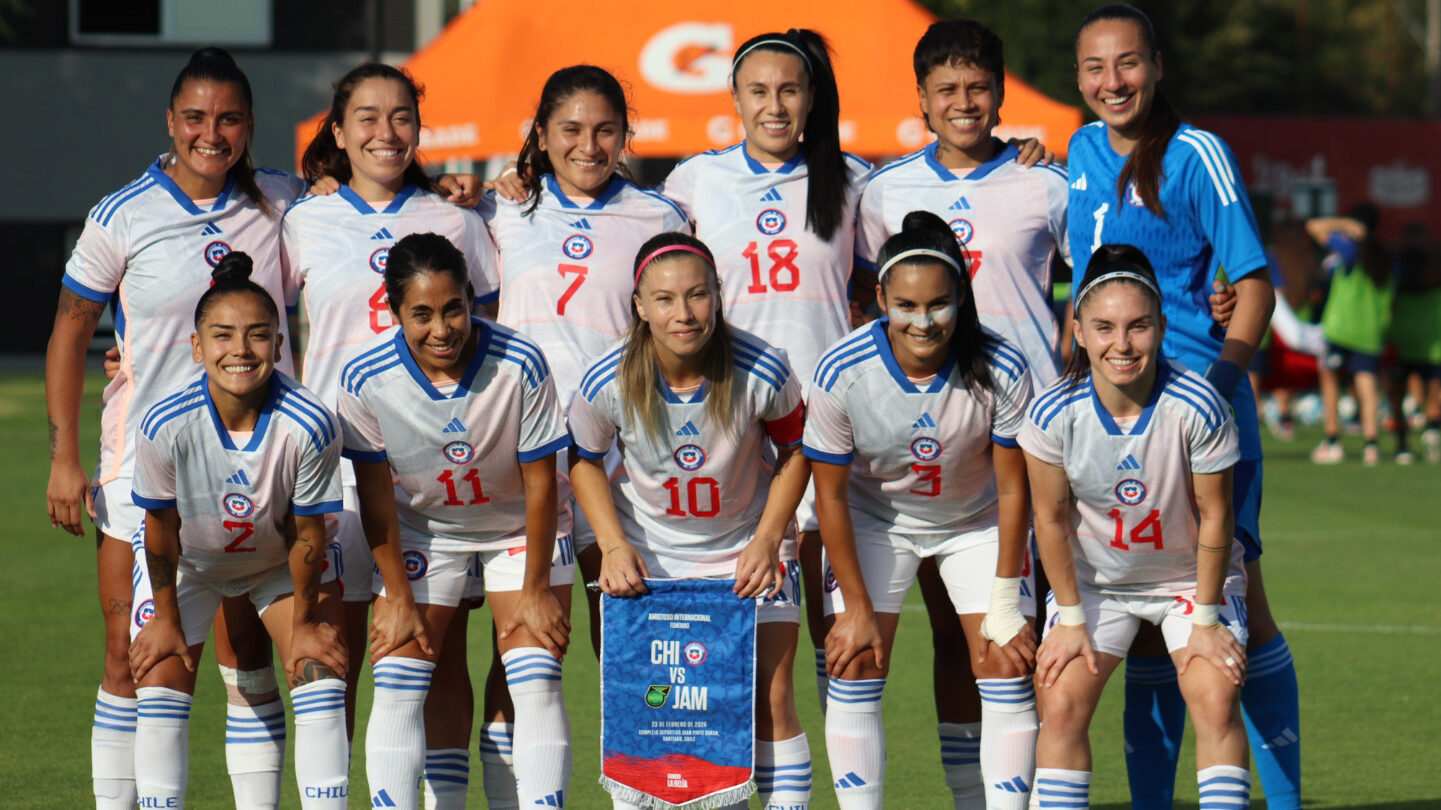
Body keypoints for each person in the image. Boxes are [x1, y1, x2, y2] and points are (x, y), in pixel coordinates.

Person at [45, 47, 307, 810]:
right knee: (132, 651)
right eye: (195, 117)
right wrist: (66, 458)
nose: (211, 133)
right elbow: (69, 333)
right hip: (141, 465)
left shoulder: (283, 203)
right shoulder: (122, 213)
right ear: (170, 121)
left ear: (249, 124)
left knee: (248, 645)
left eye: (228, 118)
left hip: (257, 462)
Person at [1068, 6, 1297, 807]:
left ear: (1156, 66)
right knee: (1140, 618)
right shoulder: (1078, 150)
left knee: (1242, 615)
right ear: (1078, 78)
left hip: (1198, 422)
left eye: (1126, 63)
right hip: (1107, 420)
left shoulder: (1198, 154)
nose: (1111, 82)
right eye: (1095, 68)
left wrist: (1218, 391)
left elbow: (1255, 285)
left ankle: (1286, 800)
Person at [854, 21, 1070, 804]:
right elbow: (866, 301)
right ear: (920, 99)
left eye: (977, 87)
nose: (963, 102)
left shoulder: (1048, 183)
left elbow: (1091, 285)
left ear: (1001, 90)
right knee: (954, 632)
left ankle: (1045, 792)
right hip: (933, 440)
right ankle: (971, 798)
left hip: (1032, 436)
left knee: (1027, 637)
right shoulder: (883, 192)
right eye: (946, 89)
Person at [284, 61, 500, 806]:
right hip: (331, 471)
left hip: (433, 472)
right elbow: (250, 321)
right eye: (367, 117)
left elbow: (488, 341)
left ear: (419, 126)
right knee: (332, 647)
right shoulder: (303, 220)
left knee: (434, 653)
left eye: (401, 115)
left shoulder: (458, 221)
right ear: (337, 132)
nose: (386, 131)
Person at [568, 233, 812, 810]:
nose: (683, 313)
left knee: (770, 697)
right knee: (647, 707)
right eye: (665, 299)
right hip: (649, 557)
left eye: (698, 295)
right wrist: (611, 544)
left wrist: (769, 537)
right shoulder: (605, 379)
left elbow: (798, 452)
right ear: (638, 305)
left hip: (746, 548)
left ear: (718, 297)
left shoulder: (764, 368)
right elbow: (582, 461)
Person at [806, 211, 1035, 810]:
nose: (924, 321)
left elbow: (1016, 490)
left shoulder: (1003, 368)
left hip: (974, 522)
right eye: (905, 305)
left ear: (961, 296)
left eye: (939, 304)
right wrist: (855, 609)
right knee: (852, 659)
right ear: (879, 298)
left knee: (1006, 659)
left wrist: (1007, 600)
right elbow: (828, 494)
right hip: (875, 523)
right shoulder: (841, 372)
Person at [336, 233, 572, 810]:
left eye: (453, 309)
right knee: (398, 677)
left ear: (472, 299)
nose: (441, 329)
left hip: (520, 532)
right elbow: (376, 498)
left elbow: (542, 483)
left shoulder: (521, 361)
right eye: (421, 314)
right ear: (394, 313)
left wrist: (538, 588)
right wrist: (394, 593)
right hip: (425, 534)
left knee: (535, 673)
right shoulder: (365, 378)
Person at [1020, 244, 1251, 809]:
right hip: (1096, 590)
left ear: (1161, 326)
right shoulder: (1052, 414)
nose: (1121, 345)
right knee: (1062, 700)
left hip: (1186, 587)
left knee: (1215, 695)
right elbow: (1048, 519)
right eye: (1103, 327)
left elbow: (1217, 515)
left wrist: (1206, 617)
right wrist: (1070, 620)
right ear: (1076, 328)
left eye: (1138, 327)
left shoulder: (1198, 406)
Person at [127, 252, 349, 809]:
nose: (240, 350)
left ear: (279, 344)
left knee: (318, 676)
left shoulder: (311, 422)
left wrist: (302, 623)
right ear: (197, 347)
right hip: (190, 567)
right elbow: (159, 529)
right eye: (222, 335)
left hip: (276, 566)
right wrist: (165, 618)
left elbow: (309, 534)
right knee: (158, 681)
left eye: (257, 335)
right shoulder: (164, 423)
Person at [1306, 204, 1393, 466]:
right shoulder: (1386, 254)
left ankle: (1333, 440)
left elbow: (1313, 227)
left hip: (1342, 329)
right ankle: (1371, 444)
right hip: (1371, 331)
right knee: (1367, 387)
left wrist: (1344, 224)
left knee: (1330, 380)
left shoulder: (1351, 249)